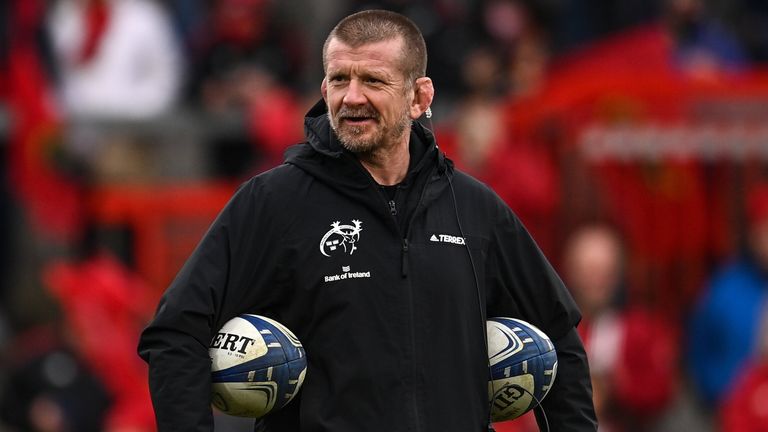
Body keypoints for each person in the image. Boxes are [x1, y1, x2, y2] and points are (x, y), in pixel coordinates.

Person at [138, 9, 596, 432]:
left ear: (419, 97)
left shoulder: (475, 209)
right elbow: (176, 334)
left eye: (373, 80)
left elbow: (559, 337)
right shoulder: (274, 202)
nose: (351, 97)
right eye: (339, 79)